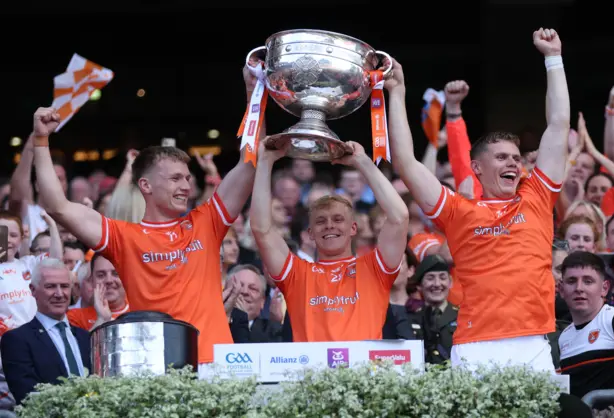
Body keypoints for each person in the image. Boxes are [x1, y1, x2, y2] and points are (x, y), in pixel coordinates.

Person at [28, 65, 261, 376]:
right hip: (155, 375)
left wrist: (253, 95)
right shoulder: (122, 236)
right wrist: (41, 141)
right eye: (176, 178)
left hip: (215, 368)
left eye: (188, 179)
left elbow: (249, 162)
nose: (186, 186)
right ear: (146, 186)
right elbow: (57, 205)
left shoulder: (207, 222)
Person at [386, 28, 569, 371]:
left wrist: (553, 58)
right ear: (476, 168)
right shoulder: (458, 209)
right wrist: (397, 92)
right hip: (475, 344)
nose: (513, 163)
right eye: (501, 158)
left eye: (516, 158)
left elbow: (558, 124)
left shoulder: (537, 196)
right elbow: (406, 163)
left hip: (532, 342)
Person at [250, 141, 409, 341]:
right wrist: (264, 162)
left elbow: (400, 217)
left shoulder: (375, 268)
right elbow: (261, 229)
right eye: (320, 221)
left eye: (338, 219)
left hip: (365, 371)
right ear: (310, 233)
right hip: (311, 372)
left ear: (353, 228)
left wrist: (362, 162)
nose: (329, 225)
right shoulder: (297, 274)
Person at [1, 259, 90, 405]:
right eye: (50, 286)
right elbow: (27, 396)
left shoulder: (85, 338)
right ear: (33, 290)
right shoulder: (16, 340)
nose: (59, 294)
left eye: (64, 286)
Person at [557, 251, 614, 399]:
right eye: (571, 281)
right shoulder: (563, 337)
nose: (579, 288)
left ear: (604, 288)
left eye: (588, 281)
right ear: (561, 290)